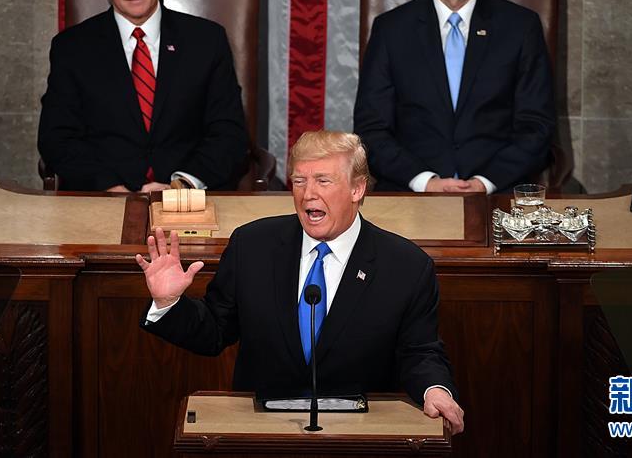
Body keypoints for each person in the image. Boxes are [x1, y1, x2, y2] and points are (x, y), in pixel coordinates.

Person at [136, 130, 464, 433]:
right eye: (299, 181)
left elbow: (420, 352)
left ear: (357, 189)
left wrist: (435, 390)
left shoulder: (405, 265)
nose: (308, 195)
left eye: (323, 181)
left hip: (358, 437)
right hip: (263, 434)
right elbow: (214, 331)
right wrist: (169, 303)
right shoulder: (252, 246)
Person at [353, 0, 555, 194]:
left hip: (497, 192)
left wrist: (485, 183)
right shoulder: (391, 29)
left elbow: (536, 125)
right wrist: (423, 181)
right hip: (411, 192)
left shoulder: (521, 28)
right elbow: (371, 128)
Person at [38, 0, 248, 192]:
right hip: (102, 199)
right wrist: (108, 186)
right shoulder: (72, 48)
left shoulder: (207, 41)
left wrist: (183, 184)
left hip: (185, 200)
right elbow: (57, 138)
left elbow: (229, 134)